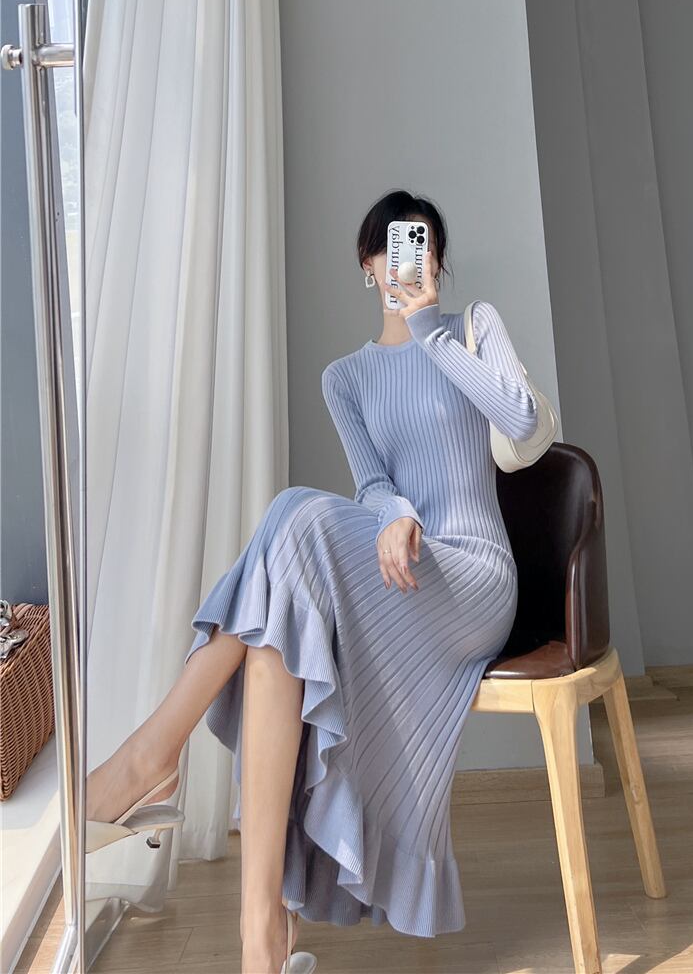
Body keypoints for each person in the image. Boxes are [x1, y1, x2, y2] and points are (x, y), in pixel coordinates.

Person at [85, 189, 539, 974]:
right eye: (392, 247)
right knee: (278, 633)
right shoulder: (346, 379)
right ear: (368, 265)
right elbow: (373, 485)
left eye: (423, 245)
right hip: (403, 571)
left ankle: (152, 754)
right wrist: (396, 514)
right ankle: (260, 939)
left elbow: (523, 422)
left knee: (292, 513)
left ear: (438, 261)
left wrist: (432, 330)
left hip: (474, 579)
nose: (408, 260)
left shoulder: (472, 327)